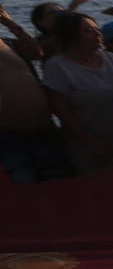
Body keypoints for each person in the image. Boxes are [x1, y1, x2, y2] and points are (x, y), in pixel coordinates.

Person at [40, 12, 113, 173]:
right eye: (89, 31)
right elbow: (62, 113)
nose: (97, 34)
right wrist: (91, 144)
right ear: (71, 36)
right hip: (95, 152)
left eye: (97, 29)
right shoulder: (58, 67)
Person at [0, 35, 68, 184]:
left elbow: (37, 53)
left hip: (41, 128)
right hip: (8, 136)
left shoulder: (9, 43)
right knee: (24, 185)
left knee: (61, 181)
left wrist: (10, 23)